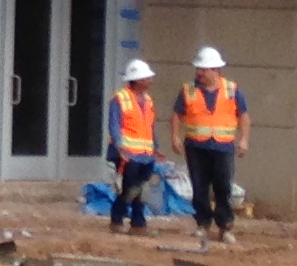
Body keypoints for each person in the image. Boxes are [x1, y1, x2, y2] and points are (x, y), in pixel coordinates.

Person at [175, 45, 248, 244]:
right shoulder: (188, 90)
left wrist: (243, 140)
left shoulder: (232, 90)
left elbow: (243, 115)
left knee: (223, 187)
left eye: (203, 69)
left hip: (223, 146)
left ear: (215, 70)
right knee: (199, 187)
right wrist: (175, 137)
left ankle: (225, 226)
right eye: (198, 69)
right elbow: (177, 114)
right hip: (196, 147)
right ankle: (203, 223)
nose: (198, 72)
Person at [105, 58, 159, 232]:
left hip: (145, 154)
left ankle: (138, 223)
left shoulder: (148, 100)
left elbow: (150, 126)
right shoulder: (120, 98)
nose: (150, 81)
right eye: (147, 78)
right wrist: (120, 148)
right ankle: (117, 219)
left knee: (142, 190)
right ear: (137, 80)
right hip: (128, 154)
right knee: (130, 189)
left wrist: (156, 148)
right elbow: (114, 124)